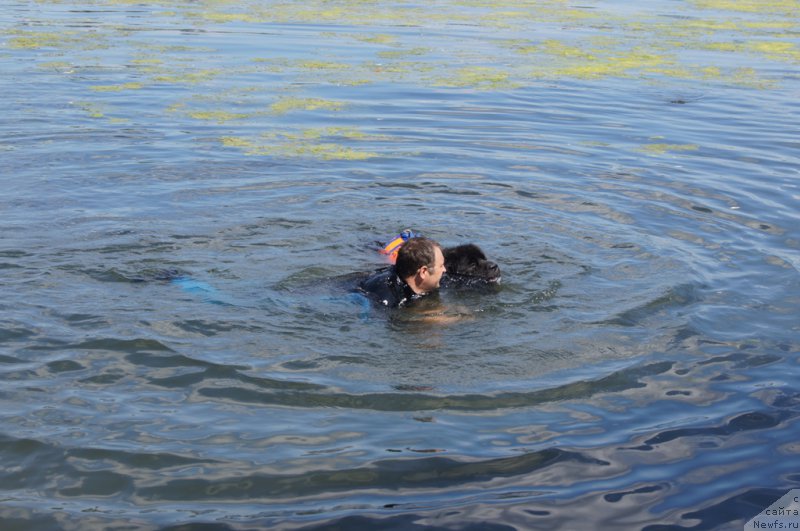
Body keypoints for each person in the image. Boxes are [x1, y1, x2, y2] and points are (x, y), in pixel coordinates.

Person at [358, 237, 446, 308]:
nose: (444, 270)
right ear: (423, 271)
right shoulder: (387, 300)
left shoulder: (401, 275)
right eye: (441, 266)